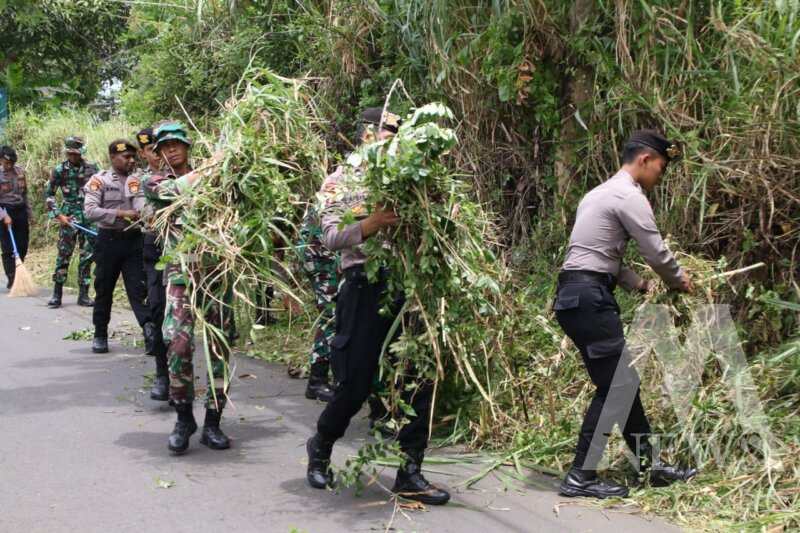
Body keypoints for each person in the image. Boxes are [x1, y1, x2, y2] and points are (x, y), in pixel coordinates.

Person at [305, 107, 450, 505]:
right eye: (390, 130)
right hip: (364, 285)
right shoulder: (340, 181)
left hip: (409, 284)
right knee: (355, 382)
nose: (396, 136)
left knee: (420, 378)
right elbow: (331, 237)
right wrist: (373, 223)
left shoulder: (413, 177)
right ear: (368, 134)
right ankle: (320, 445)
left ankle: (410, 472)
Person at [554, 129, 698, 499]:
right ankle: (580, 477)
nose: (660, 177)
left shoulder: (598, 194)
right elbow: (655, 250)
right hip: (590, 299)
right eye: (661, 168)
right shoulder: (628, 196)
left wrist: (641, 285)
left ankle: (650, 466)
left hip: (576, 295)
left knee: (621, 383)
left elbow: (600, 257)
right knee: (617, 385)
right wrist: (678, 279)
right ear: (645, 159)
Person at [144, 122, 232, 454]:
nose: (171, 149)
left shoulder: (216, 181)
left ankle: (213, 421)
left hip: (215, 276)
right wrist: (216, 165)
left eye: (176, 143)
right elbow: (174, 191)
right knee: (177, 344)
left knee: (218, 350)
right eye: (164, 146)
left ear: (187, 146)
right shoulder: (154, 182)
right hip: (180, 277)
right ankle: (184, 417)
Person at [83, 140, 153, 355]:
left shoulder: (139, 180)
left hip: (134, 241)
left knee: (139, 289)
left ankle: (150, 333)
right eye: (126, 157)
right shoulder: (99, 180)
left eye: (133, 157)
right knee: (104, 288)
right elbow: (90, 211)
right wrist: (121, 214)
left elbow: (143, 205)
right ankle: (100, 334)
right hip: (108, 241)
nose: (131, 160)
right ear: (113, 157)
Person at [130, 127, 169, 401]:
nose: (157, 155)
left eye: (160, 148)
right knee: (158, 309)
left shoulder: (185, 171)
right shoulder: (139, 179)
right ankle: (163, 374)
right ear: (143, 153)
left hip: (188, 250)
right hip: (156, 247)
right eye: (151, 150)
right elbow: (146, 212)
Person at [45, 136, 98, 308]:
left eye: (75, 153)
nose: (73, 156)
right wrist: (58, 215)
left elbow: (101, 191)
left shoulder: (92, 168)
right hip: (68, 217)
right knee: (64, 254)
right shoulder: (59, 170)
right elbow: (49, 195)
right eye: (70, 153)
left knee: (87, 256)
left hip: (89, 217)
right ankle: (57, 294)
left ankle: (83, 294)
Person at [0, 146, 31, 289]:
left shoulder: (20, 172)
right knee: (8, 247)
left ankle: (19, 271)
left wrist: (29, 213)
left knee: (22, 245)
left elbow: (25, 194)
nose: (9, 166)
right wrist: (4, 215)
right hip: (4, 210)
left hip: (20, 211)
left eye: (11, 163)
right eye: (6, 163)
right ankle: (12, 277)